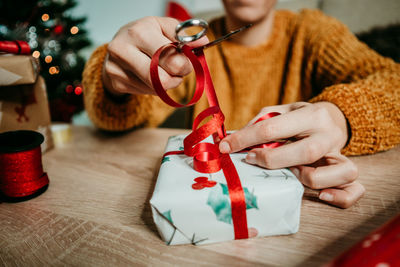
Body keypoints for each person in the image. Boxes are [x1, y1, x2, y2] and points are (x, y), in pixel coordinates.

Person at [82, 0, 400, 209]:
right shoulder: (192, 45)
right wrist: (114, 82)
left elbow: (392, 81)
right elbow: (124, 116)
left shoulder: (314, 33)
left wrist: (341, 115)